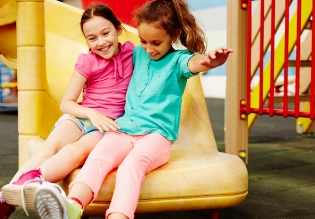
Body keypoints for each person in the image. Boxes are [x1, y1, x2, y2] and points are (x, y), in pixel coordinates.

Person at [33, 0, 233, 219]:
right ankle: (73, 205)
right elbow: (112, 57)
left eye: (156, 42)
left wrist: (212, 62)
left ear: (174, 34)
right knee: (97, 157)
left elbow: (196, 63)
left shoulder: (178, 61)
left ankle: (119, 215)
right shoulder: (137, 54)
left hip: (156, 136)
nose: (149, 49)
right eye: (144, 41)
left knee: (131, 166)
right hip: (123, 129)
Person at [0, 3, 134, 219]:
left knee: (75, 151)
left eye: (106, 33)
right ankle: (3, 199)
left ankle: (10, 198)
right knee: (49, 147)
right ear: (86, 40)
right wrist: (91, 113)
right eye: (92, 38)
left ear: (118, 29)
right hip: (81, 116)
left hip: (105, 127)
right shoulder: (87, 61)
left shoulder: (133, 53)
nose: (101, 42)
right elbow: (67, 103)